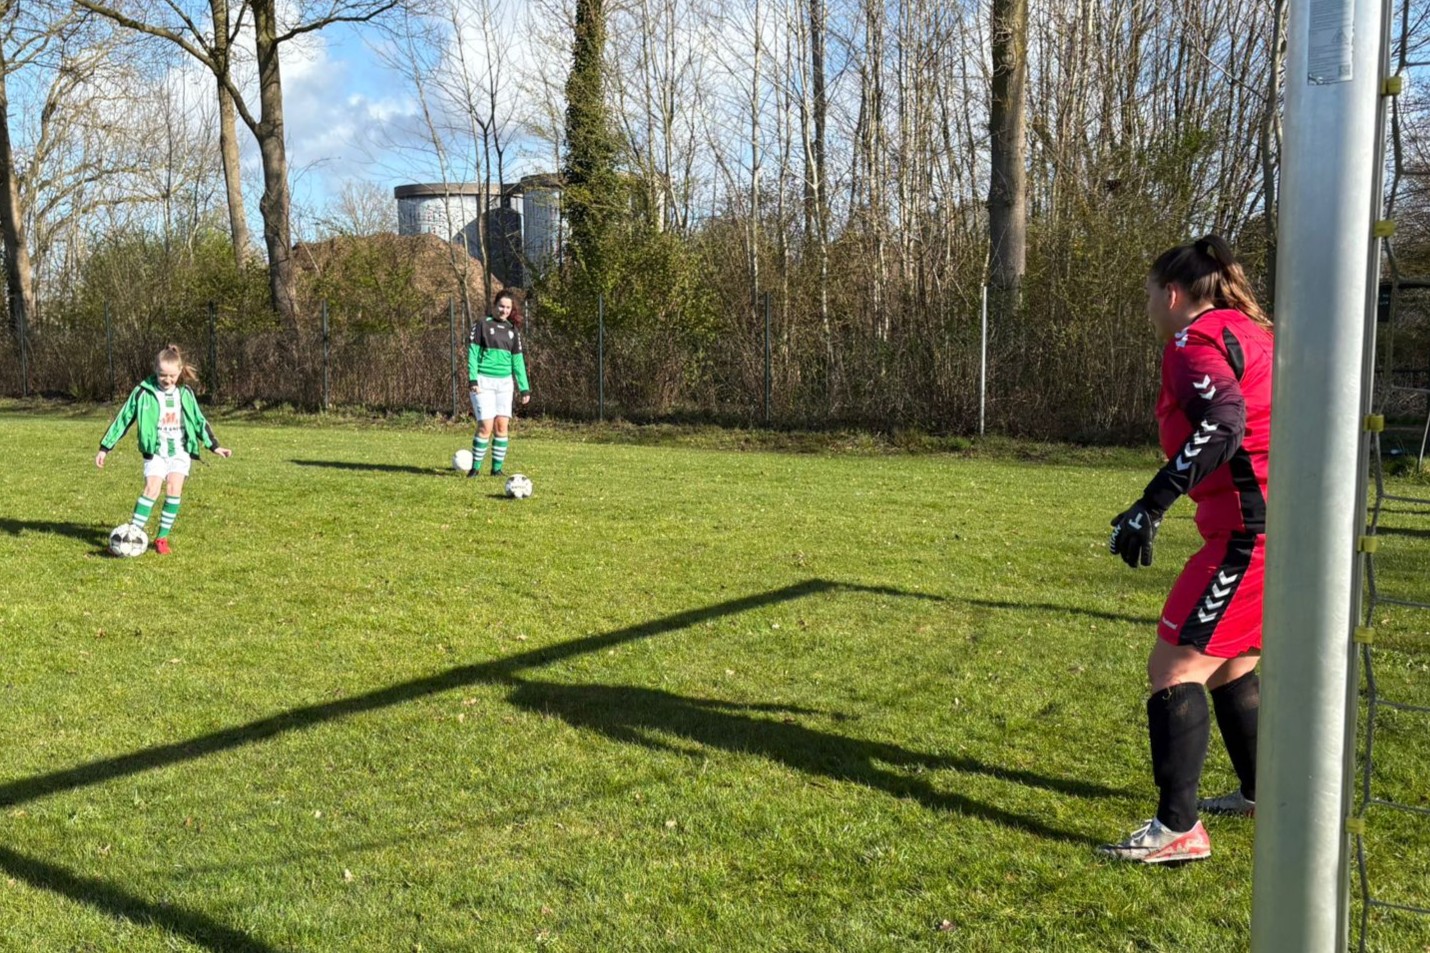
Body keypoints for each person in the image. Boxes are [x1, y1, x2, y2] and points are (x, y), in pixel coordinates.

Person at [1098, 235, 1272, 864]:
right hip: (1277, 528)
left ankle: (1178, 829)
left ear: (1172, 294)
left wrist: (1151, 504)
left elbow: (1223, 422)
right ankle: (1259, 792)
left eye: (1148, 295)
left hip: (1245, 535)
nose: (1148, 308)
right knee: (1231, 665)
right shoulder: (1255, 334)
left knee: (1172, 670)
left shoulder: (1192, 342)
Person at [96, 344, 232, 554]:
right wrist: (105, 447)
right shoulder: (143, 392)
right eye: (162, 375)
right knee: (152, 489)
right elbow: (123, 419)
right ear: (155, 370)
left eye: (171, 376)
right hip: (155, 453)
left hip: (180, 452)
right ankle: (132, 535)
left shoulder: (185, 393)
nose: (167, 380)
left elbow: (199, 421)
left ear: (179, 371)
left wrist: (214, 446)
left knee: (173, 489)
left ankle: (162, 538)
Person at [466, 290, 531, 477]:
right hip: (483, 382)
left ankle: (496, 470)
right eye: (501, 306)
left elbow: (518, 361)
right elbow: (473, 354)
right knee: (486, 427)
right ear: (494, 305)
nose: (504, 310)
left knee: (502, 426)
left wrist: (524, 388)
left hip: (504, 384)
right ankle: (475, 469)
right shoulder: (482, 324)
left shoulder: (513, 331)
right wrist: (473, 379)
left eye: (508, 307)